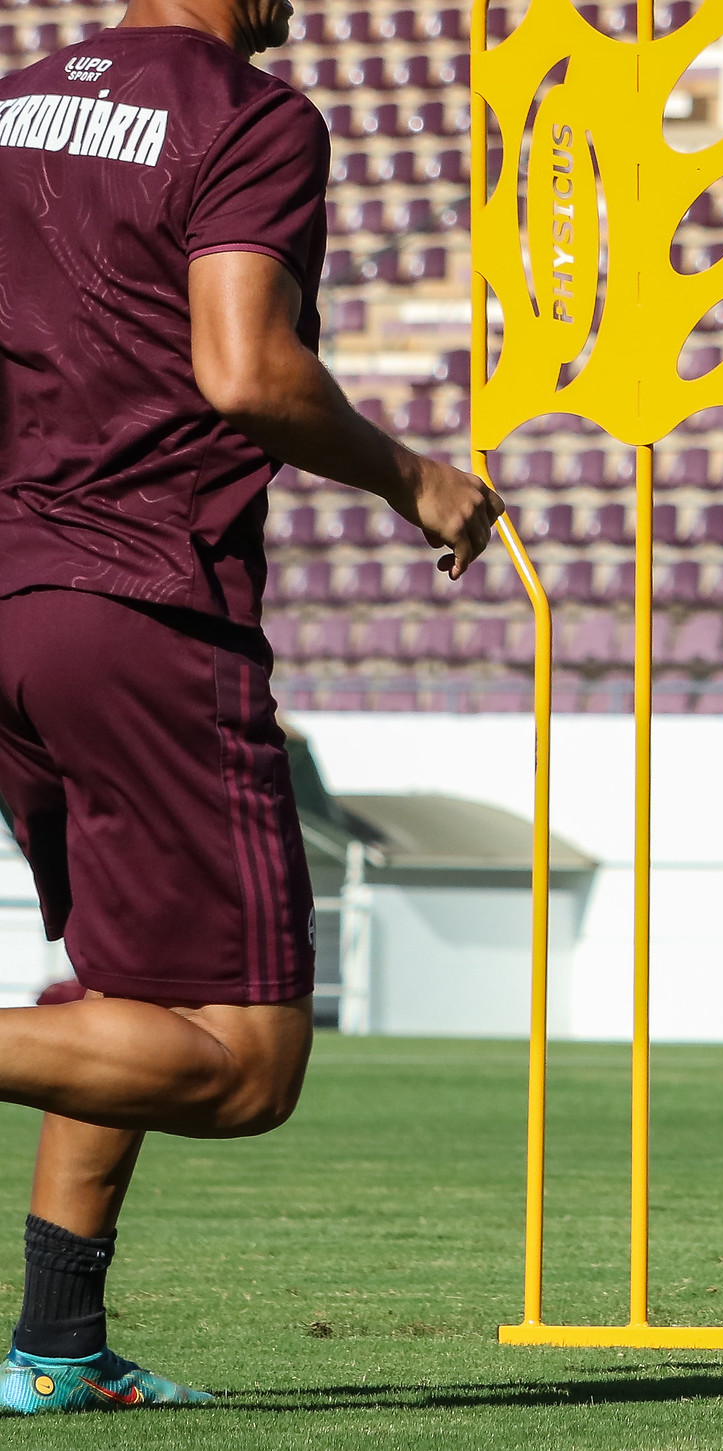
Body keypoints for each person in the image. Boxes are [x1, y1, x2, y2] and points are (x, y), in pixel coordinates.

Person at [0, 0, 501, 1411]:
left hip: (14, 597)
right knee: (243, 1062)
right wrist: (420, 479)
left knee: (128, 994)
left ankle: (55, 1347)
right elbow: (245, 370)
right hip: (144, 606)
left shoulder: (14, 106)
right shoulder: (247, 112)